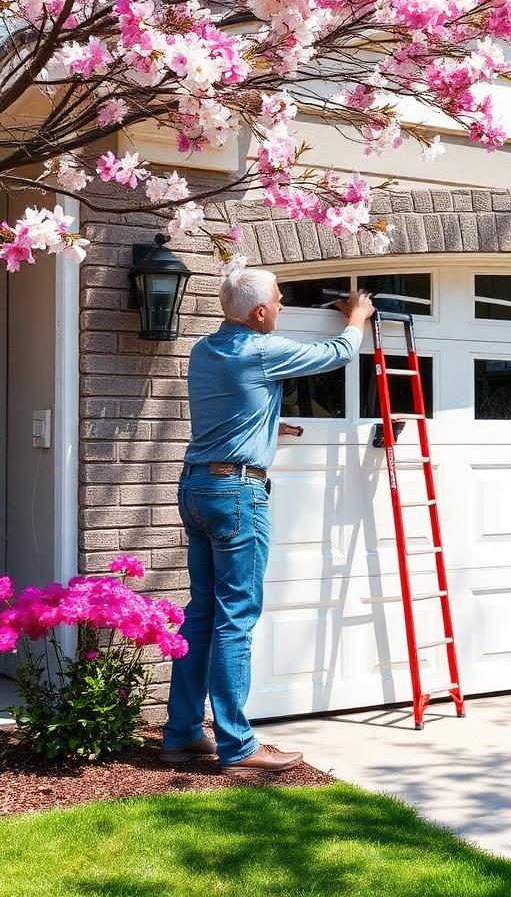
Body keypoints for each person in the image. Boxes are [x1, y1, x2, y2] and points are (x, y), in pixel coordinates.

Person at [161, 268, 374, 775]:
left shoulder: (204, 351)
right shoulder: (261, 350)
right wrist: (357, 319)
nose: (280, 308)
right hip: (237, 494)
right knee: (237, 617)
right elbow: (335, 356)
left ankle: (183, 733)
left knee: (203, 613)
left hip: (196, 487)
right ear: (260, 313)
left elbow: (231, 408)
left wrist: (267, 426)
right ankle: (238, 747)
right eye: (279, 303)